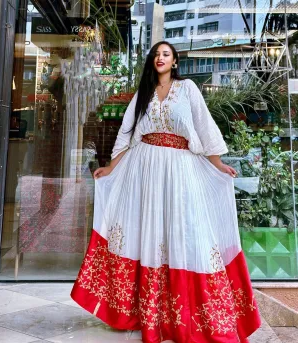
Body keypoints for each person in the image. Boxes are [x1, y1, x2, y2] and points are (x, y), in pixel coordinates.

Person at [71, 41, 261, 343]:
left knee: (185, 231)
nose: (160, 58)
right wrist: (110, 167)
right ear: (152, 60)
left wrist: (218, 163)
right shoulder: (143, 93)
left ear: (174, 62)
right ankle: (143, 313)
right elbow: (127, 132)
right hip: (144, 168)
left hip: (180, 169)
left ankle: (183, 317)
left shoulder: (187, 89)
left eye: (166, 54)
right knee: (146, 233)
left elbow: (204, 126)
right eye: (156, 54)